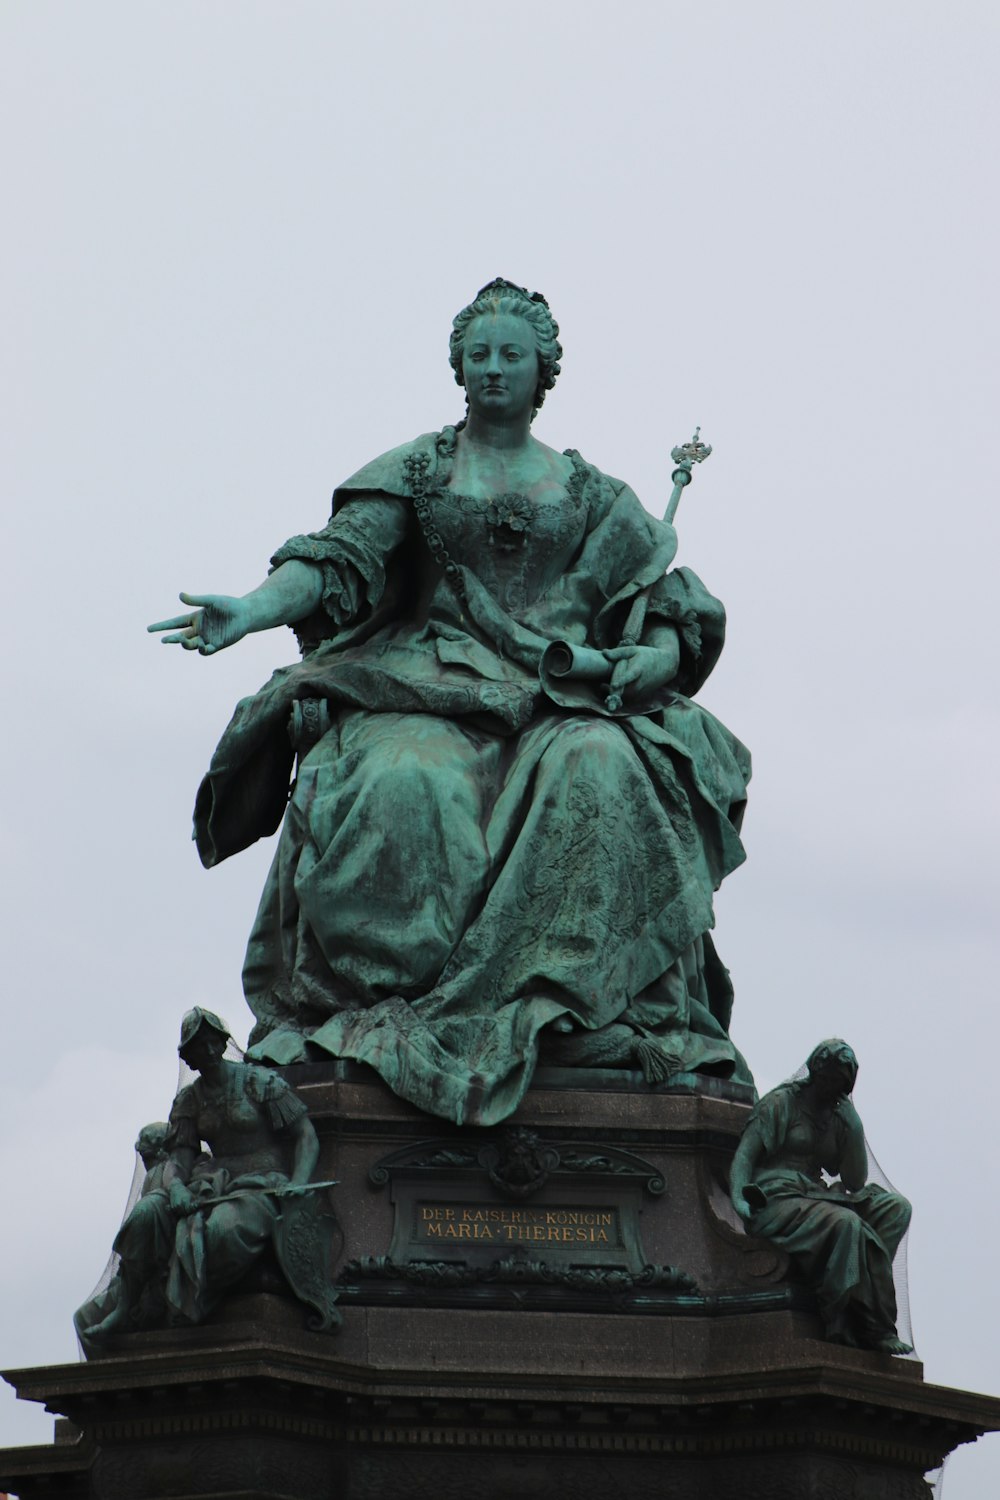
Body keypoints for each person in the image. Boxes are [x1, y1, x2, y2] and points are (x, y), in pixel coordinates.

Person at [149, 278, 752, 1126]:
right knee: (403, 781)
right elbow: (335, 561)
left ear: (545, 371)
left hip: (560, 703)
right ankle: (389, 1008)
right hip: (424, 683)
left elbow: (669, 613)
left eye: (513, 355)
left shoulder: (595, 495)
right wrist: (251, 609)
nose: (495, 368)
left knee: (607, 767)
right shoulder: (419, 471)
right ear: (458, 370)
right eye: (479, 355)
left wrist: (648, 661)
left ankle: (563, 1005)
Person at [729, 1039, 913, 1354]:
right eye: (829, 1079)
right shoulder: (781, 1103)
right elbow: (744, 1157)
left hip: (818, 1197)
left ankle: (861, 1298)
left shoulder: (839, 1115)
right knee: (846, 1225)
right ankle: (845, 1319)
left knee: (896, 1208)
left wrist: (854, 1128)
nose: (833, 1089)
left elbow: (855, 1180)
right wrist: (738, 1199)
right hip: (777, 1198)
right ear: (816, 1070)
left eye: (841, 1084)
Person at [161, 1007, 334, 1326]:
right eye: (200, 1046)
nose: (210, 1050)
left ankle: (200, 1306)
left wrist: (298, 1183)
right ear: (189, 1057)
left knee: (220, 1234)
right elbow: (178, 1159)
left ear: (224, 1042)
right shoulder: (189, 1100)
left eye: (214, 1042)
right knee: (153, 1223)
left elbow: (305, 1136)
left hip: (262, 1186)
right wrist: (174, 1187)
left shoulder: (260, 1082)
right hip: (213, 1186)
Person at [74, 1121, 177, 1351]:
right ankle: (104, 1384)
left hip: (160, 1268)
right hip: (132, 1276)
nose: (145, 1163)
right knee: (83, 1319)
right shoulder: (153, 1179)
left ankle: (124, 1310)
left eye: (147, 1157)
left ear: (162, 1151)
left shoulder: (174, 1173)